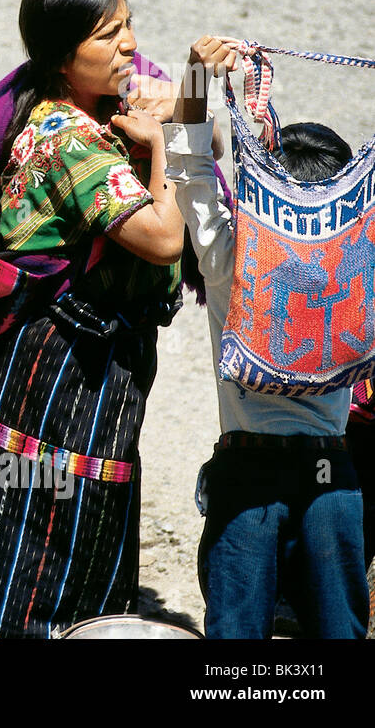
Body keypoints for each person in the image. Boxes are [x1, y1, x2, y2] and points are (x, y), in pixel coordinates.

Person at [0, 0, 186, 638]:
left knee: (24, 513)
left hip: (43, 357)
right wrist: (165, 144)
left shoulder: (68, 107)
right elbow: (164, 239)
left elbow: (204, 140)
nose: (131, 45)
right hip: (62, 365)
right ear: (61, 55)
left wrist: (189, 86)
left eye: (129, 25)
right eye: (108, 35)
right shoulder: (74, 143)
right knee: (48, 520)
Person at [165, 35, 368, 639]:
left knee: (237, 637)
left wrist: (198, 74)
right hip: (332, 474)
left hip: (246, 471)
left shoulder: (236, 260)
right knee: (339, 631)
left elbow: (190, 168)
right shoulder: (361, 266)